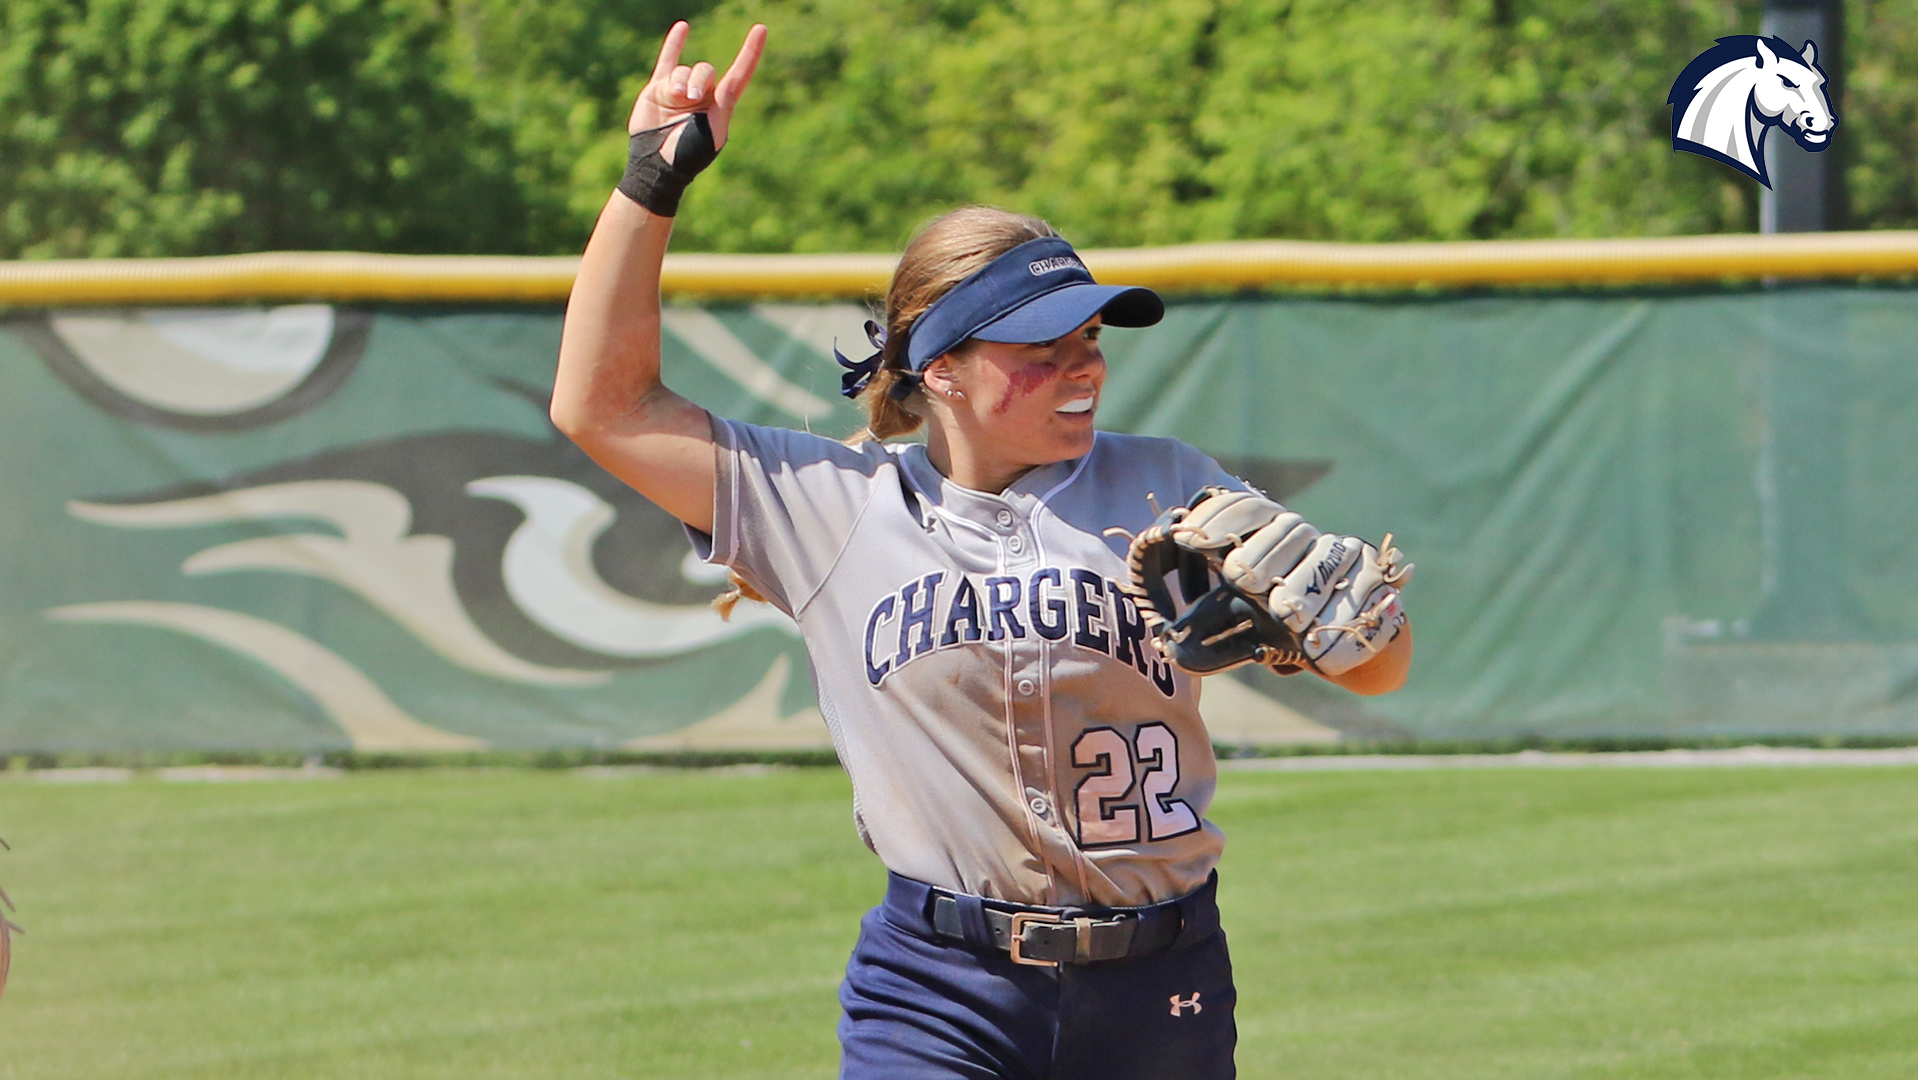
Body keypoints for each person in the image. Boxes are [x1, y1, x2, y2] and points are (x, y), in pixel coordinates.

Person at [551, 21, 1412, 1079]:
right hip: (937, 987)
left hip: (1161, 979)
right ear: (942, 367)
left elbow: (1379, 668)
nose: (1081, 367)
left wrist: (1335, 630)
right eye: (1041, 351)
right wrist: (650, 182)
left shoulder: (1167, 485)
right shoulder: (828, 507)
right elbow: (602, 405)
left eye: (1090, 340)